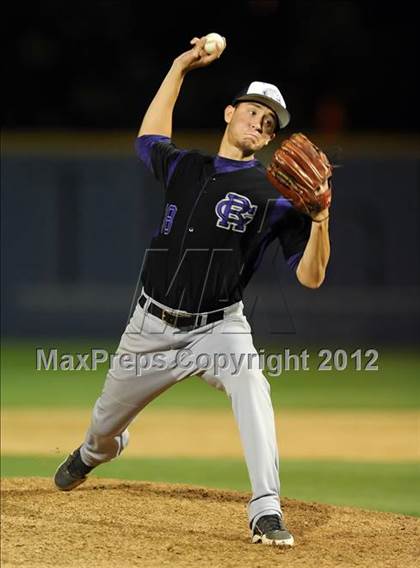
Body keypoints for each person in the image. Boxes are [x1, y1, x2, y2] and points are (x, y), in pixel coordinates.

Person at [54, 36, 331, 547]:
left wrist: (321, 220)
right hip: (149, 327)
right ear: (230, 113)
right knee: (102, 426)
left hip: (218, 328)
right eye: (253, 112)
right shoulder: (187, 167)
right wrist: (181, 65)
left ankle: (266, 509)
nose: (260, 124)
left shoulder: (275, 197)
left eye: (269, 124)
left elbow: (311, 277)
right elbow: (148, 137)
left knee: (253, 387)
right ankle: (95, 453)